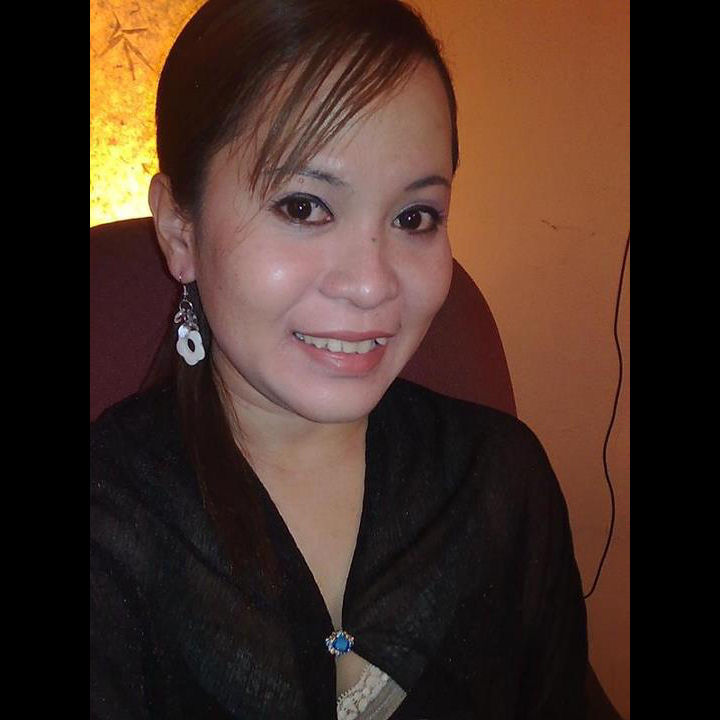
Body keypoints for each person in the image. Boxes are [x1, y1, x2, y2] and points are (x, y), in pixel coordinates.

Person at [90, 1, 588, 718]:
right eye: (304, 207)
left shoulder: (504, 481)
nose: (372, 284)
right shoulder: (109, 525)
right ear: (179, 229)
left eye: (414, 217)